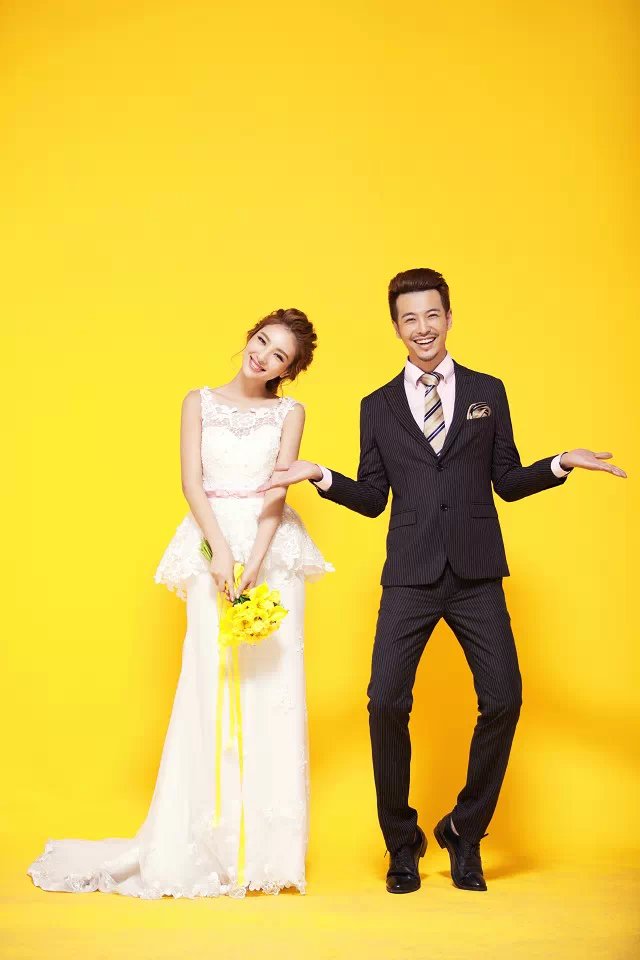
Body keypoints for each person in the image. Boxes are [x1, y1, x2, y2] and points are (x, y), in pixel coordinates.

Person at [261, 268, 627, 894]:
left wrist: (560, 464)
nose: (423, 327)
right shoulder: (377, 406)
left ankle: (464, 829)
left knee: (504, 698)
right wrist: (320, 474)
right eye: (410, 318)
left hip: (476, 573)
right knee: (385, 702)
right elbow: (373, 498)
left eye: (432, 315)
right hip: (410, 574)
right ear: (396, 327)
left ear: (449, 318)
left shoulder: (488, 391)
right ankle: (401, 843)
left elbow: (507, 480)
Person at [27, 307, 333, 899]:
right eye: (262, 341)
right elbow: (192, 482)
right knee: (209, 681)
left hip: (271, 550)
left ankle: (265, 857)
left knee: (274, 689)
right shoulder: (198, 401)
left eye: (279, 356)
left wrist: (255, 560)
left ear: (287, 371)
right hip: (209, 542)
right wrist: (221, 551)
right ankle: (203, 842)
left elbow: (278, 486)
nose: (262, 356)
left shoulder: (290, 413)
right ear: (249, 336)